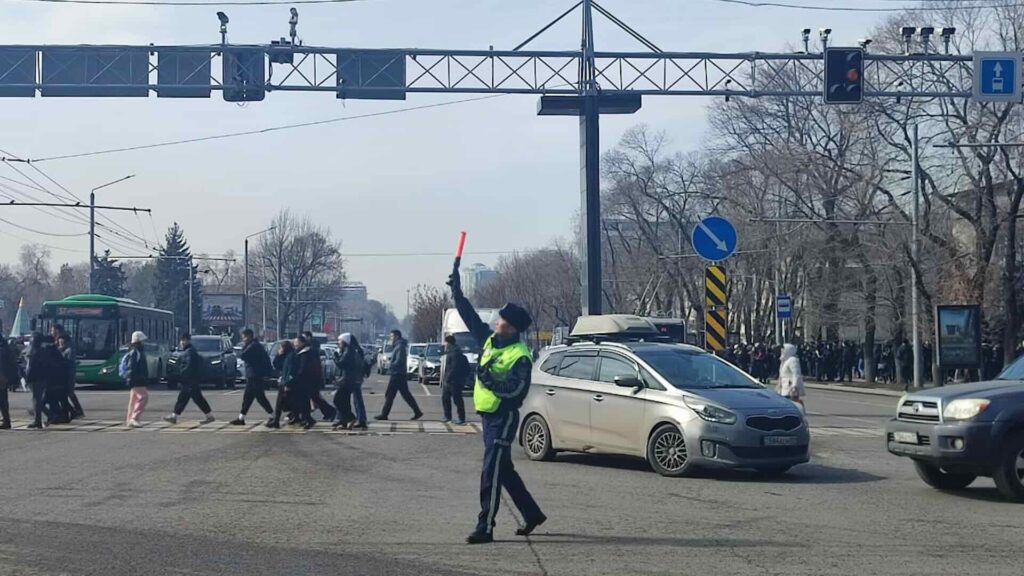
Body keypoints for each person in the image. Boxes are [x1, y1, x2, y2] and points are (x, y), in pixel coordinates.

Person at [448, 269, 546, 545]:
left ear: (511, 326)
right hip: (488, 417)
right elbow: (469, 316)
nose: (497, 321)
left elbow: (516, 391)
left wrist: (489, 380)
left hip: (503, 418)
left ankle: (485, 527)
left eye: (502, 319)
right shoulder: (491, 340)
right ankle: (532, 513)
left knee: (491, 471)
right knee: (503, 471)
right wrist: (457, 291)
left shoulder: (520, 356)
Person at [164, 333, 215, 425]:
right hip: (190, 380)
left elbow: (188, 366)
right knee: (187, 398)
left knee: (191, 398)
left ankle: (174, 416)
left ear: (188, 341)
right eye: (181, 340)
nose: (182, 342)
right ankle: (174, 416)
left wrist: (182, 374)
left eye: (184, 340)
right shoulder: (189, 351)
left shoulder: (190, 352)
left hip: (189, 380)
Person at [374, 329, 423, 421]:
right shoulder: (398, 346)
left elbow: (399, 360)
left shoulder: (399, 347)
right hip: (399, 374)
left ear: (396, 337)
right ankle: (417, 411)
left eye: (392, 336)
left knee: (390, 394)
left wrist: (391, 365)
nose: (390, 338)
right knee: (405, 395)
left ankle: (384, 414)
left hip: (397, 374)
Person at [231, 328, 274, 425]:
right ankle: (241, 418)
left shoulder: (254, 346)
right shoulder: (254, 345)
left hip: (255, 375)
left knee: (260, 397)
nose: (243, 340)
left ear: (249, 336)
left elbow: (243, 355)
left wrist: (245, 346)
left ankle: (273, 415)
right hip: (252, 375)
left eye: (244, 337)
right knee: (248, 397)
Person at [332, 333, 368, 430]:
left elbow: (341, 363)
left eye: (339, 341)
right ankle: (345, 420)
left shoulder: (350, 351)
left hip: (349, 379)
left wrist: (335, 355)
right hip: (350, 379)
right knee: (345, 400)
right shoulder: (352, 350)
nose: (338, 343)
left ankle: (352, 419)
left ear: (345, 341)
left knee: (340, 399)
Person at [25, 333, 59, 429]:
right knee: (37, 400)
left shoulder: (34, 352)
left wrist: (27, 379)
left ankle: (39, 420)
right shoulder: (44, 351)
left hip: (36, 378)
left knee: (36, 400)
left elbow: (30, 368)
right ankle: (43, 417)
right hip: (43, 378)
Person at [302, 331, 337, 423]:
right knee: (314, 397)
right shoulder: (310, 348)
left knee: (311, 397)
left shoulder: (312, 348)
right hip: (311, 377)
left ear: (309, 337)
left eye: (304, 337)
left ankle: (329, 412)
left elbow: (313, 365)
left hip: (311, 377)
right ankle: (328, 412)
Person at [52, 325, 84, 419]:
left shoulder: (67, 345)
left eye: (53, 330)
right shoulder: (59, 340)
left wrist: (60, 350)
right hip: (64, 372)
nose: (52, 332)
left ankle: (76, 411)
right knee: (67, 393)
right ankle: (75, 411)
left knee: (67, 392)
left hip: (67, 373)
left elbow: (68, 360)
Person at [267, 339, 299, 428]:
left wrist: (287, 384)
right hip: (283, 381)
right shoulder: (287, 356)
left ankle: (297, 417)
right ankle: (277, 421)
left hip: (287, 383)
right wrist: (278, 355)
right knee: (280, 403)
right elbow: (277, 365)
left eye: (281, 347)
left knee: (287, 403)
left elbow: (291, 371)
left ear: (285, 348)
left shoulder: (291, 357)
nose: (280, 349)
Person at [124, 331, 150, 428]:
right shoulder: (136, 352)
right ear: (138, 341)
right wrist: (131, 378)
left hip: (135, 379)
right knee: (144, 397)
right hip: (137, 379)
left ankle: (130, 419)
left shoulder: (135, 351)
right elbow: (132, 367)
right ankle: (134, 418)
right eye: (142, 340)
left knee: (133, 400)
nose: (144, 342)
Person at [292, 334, 318, 429]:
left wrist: (296, 376)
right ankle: (304, 419)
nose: (295, 344)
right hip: (302, 381)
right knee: (301, 401)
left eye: (296, 342)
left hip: (305, 381)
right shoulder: (299, 352)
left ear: (302, 343)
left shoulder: (305, 353)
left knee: (304, 402)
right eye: (294, 343)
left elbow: (303, 368)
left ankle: (308, 420)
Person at [441, 334, 468, 425]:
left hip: (454, 381)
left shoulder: (455, 353)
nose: (444, 344)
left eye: (445, 342)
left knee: (457, 399)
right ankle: (447, 416)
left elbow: (454, 368)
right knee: (445, 398)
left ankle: (461, 418)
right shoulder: (451, 352)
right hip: (449, 381)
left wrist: (448, 378)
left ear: (449, 343)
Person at [777, 343, 805, 409]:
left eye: (784, 349)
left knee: (792, 403)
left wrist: (794, 386)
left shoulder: (793, 360)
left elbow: (796, 374)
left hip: (789, 386)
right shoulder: (784, 360)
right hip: (784, 386)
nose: (782, 351)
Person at [0, 329, 16, 429]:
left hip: (1, 376)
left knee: (2, 400)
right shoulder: (5, 346)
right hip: (3, 376)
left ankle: (6, 420)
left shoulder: (2, 349)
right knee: (3, 400)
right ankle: (6, 420)